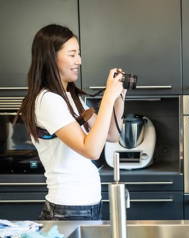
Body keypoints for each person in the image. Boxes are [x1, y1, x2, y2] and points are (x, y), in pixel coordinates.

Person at [18, 24, 126, 220]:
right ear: (51, 57)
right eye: (72, 54)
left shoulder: (70, 98)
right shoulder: (48, 100)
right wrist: (108, 96)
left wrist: (119, 98)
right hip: (67, 209)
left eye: (79, 54)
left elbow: (112, 135)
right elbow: (91, 149)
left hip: (86, 206)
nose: (79, 60)